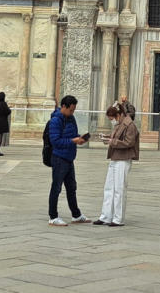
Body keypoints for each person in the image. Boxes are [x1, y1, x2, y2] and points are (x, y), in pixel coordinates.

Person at [47, 95, 89, 226]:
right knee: (56, 187)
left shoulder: (71, 118)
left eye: (74, 110)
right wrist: (72, 141)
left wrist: (79, 139)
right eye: (71, 110)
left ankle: (76, 215)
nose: (72, 112)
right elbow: (55, 141)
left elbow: (72, 135)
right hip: (59, 157)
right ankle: (53, 216)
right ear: (64, 107)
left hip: (69, 157)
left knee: (71, 188)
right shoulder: (55, 121)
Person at [95, 104, 139, 227]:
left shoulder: (129, 125)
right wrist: (107, 138)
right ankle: (106, 216)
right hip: (115, 157)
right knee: (109, 188)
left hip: (123, 159)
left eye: (112, 118)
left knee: (119, 189)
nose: (111, 121)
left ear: (118, 115)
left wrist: (112, 141)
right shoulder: (119, 124)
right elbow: (116, 137)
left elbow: (129, 142)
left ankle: (118, 218)